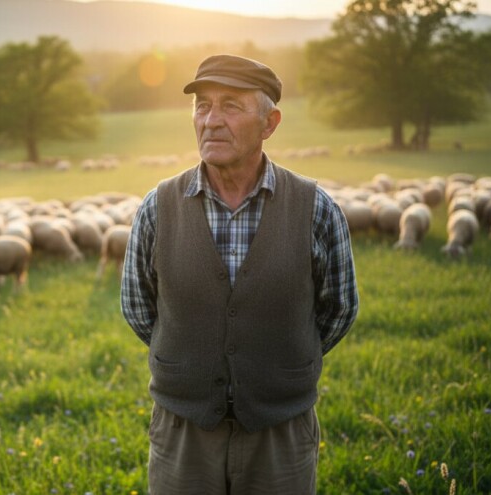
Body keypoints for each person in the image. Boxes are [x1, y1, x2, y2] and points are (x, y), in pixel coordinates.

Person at [120, 54, 359, 494]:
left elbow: (338, 308)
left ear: (270, 123)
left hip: (279, 429)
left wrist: (279, 362)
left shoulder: (315, 209)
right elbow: (138, 307)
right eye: (202, 106)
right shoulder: (159, 207)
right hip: (184, 428)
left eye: (230, 106)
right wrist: (190, 358)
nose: (211, 120)